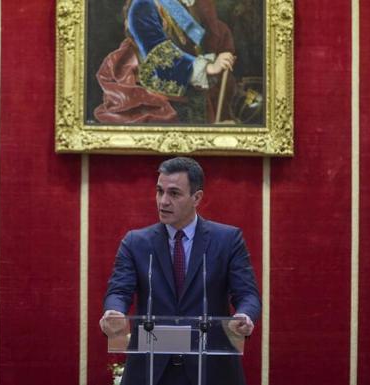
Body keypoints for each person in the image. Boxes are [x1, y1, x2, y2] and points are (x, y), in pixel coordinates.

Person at [100, 157, 261, 385]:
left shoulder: (227, 240)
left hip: (211, 368)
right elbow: (119, 291)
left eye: (174, 193)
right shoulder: (136, 242)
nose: (163, 201)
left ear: (197, 198)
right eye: (159, 191)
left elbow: (248, 295)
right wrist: (113, 312)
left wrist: (244, 315)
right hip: (151, 368)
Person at [94, 0, 237, 124]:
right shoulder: (142, 5)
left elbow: (199, 39)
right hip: (154, 92)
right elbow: (159, 54)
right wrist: (208, 67)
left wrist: (220, 52)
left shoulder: (183, 4)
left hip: (188, 87)